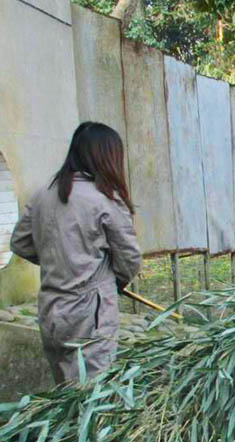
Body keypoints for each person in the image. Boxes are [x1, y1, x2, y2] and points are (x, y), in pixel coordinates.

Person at [11, 122, 142, 384]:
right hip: (90, 315)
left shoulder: (43, 195)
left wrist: (57, 259)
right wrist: (108, 279)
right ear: (107, 156)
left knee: (65, 392)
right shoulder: (105, 200)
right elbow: (129, 260)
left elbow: (20, 243)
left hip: (51, 311)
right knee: (91, 395)